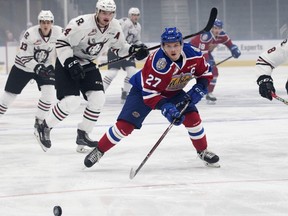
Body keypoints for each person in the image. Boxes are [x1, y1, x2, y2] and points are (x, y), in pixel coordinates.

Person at [84, 27, 220, 169]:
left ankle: (202, 151)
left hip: (173, 91)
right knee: (125, 126)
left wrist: (200, 87)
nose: (173, 49)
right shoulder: (157, 63)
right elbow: (150, 96)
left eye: (175, 45)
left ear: (181, 44)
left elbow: (205, 73)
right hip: (143, 91)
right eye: (168, 46)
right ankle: (99, 150)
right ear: (163, 46)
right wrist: (166, 108)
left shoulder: (194, 54)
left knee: (193, 118)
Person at [34, 0, 149, 153]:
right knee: (72, 101)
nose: (106, 16)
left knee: (98, 98)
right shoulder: (81, 24)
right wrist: (69, 62)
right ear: (97, 11)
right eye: (103, 12)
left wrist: (133, 50)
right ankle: (44, 127)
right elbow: (62, 43)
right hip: (67, 61)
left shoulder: (115, 27)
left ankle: (83, 133)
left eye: (110, 13)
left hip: (87, 62)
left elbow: (119, 48)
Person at [0, 10, 62, 131]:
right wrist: (36, 67)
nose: (46, 25)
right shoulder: (30, 34)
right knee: (8, 97)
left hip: (44, 66)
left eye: (48, 22)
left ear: (52, 23)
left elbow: (69, 43)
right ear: (39, 23)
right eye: (43, 22)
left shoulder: (59, 32)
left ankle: (39, 121)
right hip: (22, 67)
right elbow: (23, 54)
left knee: (49, 93)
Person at [190, 19, 241, 103]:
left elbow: (230, 44)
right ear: (211, 28)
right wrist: (207, 63)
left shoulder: (222, 35)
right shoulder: (206, 36)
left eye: (219, 28)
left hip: (205, 52)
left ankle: (209, 93)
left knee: (214, 72)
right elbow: (202, 52)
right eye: (215, 28)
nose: (217, 30)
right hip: (193, 53)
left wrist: (234, 49)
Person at [102, 7, 144, 101]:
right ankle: (100, 92)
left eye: (137, 15)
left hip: (128, 52)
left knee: (132, 72)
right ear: (130, 15)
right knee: (112, 73)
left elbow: (136, 40)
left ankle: (125, 92)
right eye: (133, 15)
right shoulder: (124, 22)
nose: (135, 17)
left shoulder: (138, 26)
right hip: (116, 50)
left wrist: (141, 45)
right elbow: (115, 35)